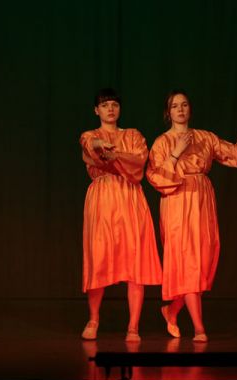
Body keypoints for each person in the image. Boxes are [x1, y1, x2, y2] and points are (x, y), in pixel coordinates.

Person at [146, 90, 237, 342]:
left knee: (202, 261)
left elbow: (236, 154)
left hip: (202, 200)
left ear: (190, 109)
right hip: (177, 200)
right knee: (187, 261)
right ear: (168, 113)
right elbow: (155, 177)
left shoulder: (205, 137)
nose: (180, 109)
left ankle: (172, 310)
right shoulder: (162, 142)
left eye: (184, 104)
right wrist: (176, 152)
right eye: (175, 106)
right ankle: (199, 328)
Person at [80, 88, 162, 342]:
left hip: (129, 196)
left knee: (135, 258)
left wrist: (115, 155)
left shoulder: (133, 135)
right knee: (99, 256)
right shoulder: (91, 135)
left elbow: (139, 160)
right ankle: (93, 319)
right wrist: (99, 145)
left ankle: (133, 326)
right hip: (103, 197)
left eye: (114, 105)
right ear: (97, 110)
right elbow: (89, 145)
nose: (110, 109)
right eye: (105, 105)